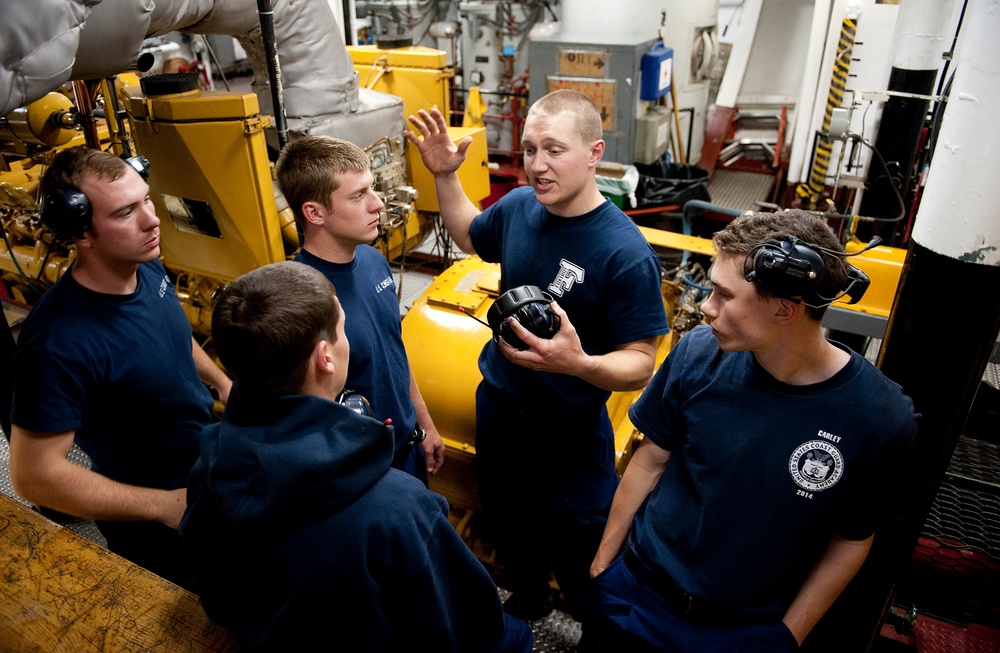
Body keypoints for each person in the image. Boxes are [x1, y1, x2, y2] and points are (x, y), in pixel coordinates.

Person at [589, 210, 918, 651]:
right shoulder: (698, 354)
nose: (706, 307)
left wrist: (787, 636)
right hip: (640, 592)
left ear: (785, 308)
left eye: (724, 295)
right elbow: (650, 459)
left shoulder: (879, 417)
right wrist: (604, 567)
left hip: (741, 631)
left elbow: (851, 538)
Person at [404, 89, 670, 628]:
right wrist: (445, 175)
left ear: (595, 153)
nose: (537, 165)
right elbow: (469, 235)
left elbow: (642, 360)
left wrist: (579, 364)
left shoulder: (624, 253)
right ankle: (529, 596)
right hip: (501, 410)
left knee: (579, 543)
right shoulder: (521, 207)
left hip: (567, 431)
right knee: (510, 522)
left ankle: (595, 626)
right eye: (528, 150)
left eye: (554, 150)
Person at [179, 261, 533, 653]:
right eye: (343, 328)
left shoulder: (210, 469)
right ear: (325, 358)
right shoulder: (400, 510)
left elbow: (217, 596)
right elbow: (473, 633)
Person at [9, 146, 232, 590]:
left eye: (146, 199)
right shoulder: (59, 342)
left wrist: (222, 382)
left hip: (205, 465)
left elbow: (173, 335)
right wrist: (162, 506)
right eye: (126, 212)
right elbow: (33, 475)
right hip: (156, 516)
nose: (152, 220)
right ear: (82, 232)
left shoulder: (142, 266)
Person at [274, 136, 445, 484]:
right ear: (314, 212)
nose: (378, 204)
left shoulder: (372, 260)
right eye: (358, 195)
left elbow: (392, 349)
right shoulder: (300, 300)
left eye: (372, 189)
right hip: (360, 471)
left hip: (407, 448)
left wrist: (423, 425)